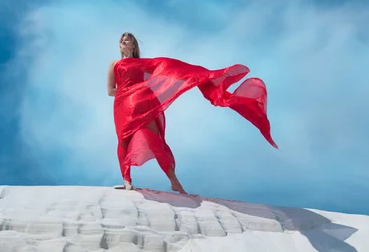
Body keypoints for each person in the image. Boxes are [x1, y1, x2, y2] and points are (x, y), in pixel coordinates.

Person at [107, 32, 278, 193]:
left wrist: (194, 76)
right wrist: (127, 91)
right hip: (123, 105)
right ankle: (127, 181)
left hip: (142, 102)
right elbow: (110, 90)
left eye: (127, 39)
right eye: (122, 39)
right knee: (124, 140)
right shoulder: (115, 64)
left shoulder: (144, 63)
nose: (123, 40)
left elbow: (168, 70)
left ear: (133, 44)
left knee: (154, 139)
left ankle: (174, 181)